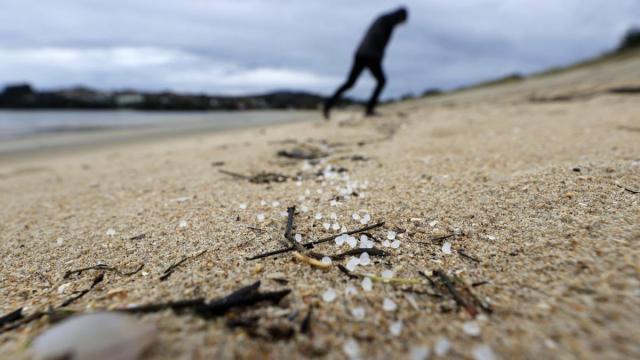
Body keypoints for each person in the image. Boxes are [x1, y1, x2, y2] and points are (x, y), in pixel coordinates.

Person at [324, 7, 408, 119]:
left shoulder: (384, 20)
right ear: (400, 17)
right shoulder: (386, 21)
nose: (402, 24)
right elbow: (378, 38)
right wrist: (379, 55)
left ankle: (328, 106)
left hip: (361, 53)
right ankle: (369, 110)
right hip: (370, 55)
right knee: (381, 81)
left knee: (350, 83)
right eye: (403, 21)